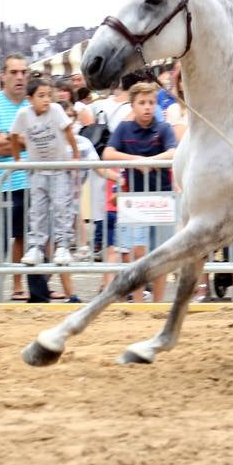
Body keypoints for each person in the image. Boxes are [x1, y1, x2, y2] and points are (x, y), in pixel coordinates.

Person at [0, 54, 45, 302]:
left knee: (35, 248)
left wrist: (12, 138)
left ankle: (39, 299)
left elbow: (51, 141)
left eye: (23, 72)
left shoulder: (37, 105)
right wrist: (32, 141)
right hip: (2, 186)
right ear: (2, 76)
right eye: (14, 72)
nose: (19, 77)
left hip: (35, 186)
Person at [103, 82, 178, 303]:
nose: (147, 107)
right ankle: (137, 302)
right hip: (134, 199)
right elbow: (108, 153)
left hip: (161, 197)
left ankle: (158, 302)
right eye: (142, 103)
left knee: (161, 254)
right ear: (133, 105)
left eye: (151, 103)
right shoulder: (124, 129)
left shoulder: (163, 128)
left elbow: (174, 151)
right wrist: (136, 161)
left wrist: (151, 161)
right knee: (137, 253)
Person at [11, 76, 80, 274]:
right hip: (38, 169)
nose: (46, 99)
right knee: (37, 210)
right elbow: (13, 135)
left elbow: (68, 131)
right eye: (41, 96)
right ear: (30, 99)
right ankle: (36, 247)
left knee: (61, 206)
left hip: (58, 167)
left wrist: (75, 156)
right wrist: (17, 159)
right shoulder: (24, 114)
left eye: (49, 95)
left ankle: (63, 246)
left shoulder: (56, 110)